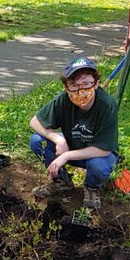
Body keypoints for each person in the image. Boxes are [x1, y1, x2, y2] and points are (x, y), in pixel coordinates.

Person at [29, 55, 119, 202]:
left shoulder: (106, 105)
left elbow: (104, 149)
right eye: (74, 85)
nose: (80, 90)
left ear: (96, 84)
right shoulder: (63, 99)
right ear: (66, 87)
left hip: (96, 155)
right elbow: (35, 121)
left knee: (98, 166)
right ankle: (61, 181)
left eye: (86, 84)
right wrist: (58, 140)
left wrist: (66, 156)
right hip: (71, 145)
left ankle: (92, 188)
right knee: (37, 140)